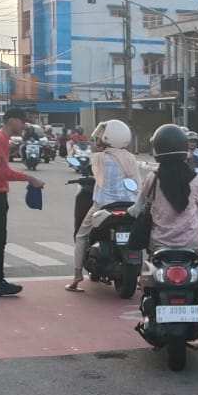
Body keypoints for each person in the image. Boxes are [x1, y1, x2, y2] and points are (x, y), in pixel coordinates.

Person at [0, 107, 47, 297]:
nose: (24, 125)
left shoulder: (2, 139)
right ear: (11, 120)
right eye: (22, 121)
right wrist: (30, 178)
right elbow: (3, 173)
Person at [66, 119, 141, 292]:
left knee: (81, 236)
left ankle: (77, 276)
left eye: (101, 135)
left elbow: (95, 175)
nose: (98, 138)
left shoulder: (99, 158)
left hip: (105, 206)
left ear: (108, 137)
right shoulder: (131, 157)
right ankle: (144, 277)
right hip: (130, 206)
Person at [144, 123, 198, 255]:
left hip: (160, 243)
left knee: (149, 270)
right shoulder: (195, 179)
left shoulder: (152, 178)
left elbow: (142, 202)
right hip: (193, 243)